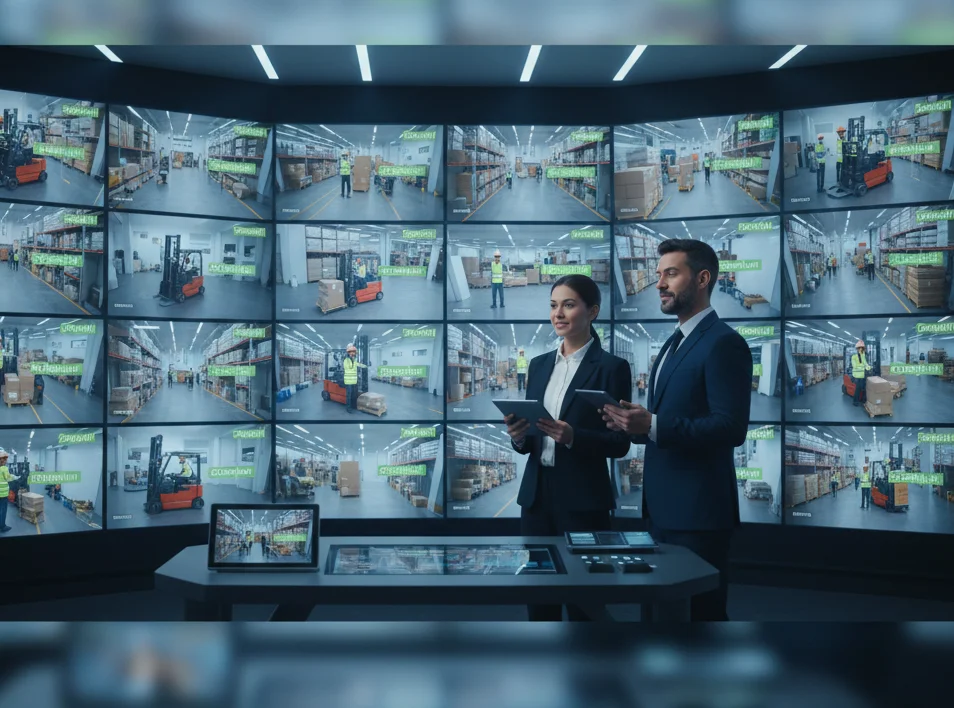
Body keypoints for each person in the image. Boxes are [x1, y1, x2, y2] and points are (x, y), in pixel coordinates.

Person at [601, 239, 752, 621]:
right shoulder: (673, 342)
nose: (660, 284)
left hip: (699, 515)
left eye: (671, 273)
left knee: (701, 618)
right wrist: (634, 425)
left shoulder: (724, 344)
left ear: (702, 279)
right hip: (660, 512)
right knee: (655, 615)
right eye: (658, 275)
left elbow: (730, 427)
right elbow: (666, 422)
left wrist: (653, 424)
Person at [504, 274, 632, 621]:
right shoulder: (539, 365)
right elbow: (533, 437)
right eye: (553, 305)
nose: (558, 313)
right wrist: (519, 436)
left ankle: (588, 672)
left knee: (584, 600)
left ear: (592, 311)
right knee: (539, 595)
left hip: (583, 500)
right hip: (536, 500)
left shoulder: (612, 369)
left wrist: (573, 436)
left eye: (569, 304)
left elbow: (620, 443)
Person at [342, 343, 367, 414]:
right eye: (351, 353)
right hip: (348, 381)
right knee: (349, 395)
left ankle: (353, 406)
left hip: (354, 381)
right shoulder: (346, 360)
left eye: (354, 353)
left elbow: (358, 364)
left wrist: (365, 366)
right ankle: (348, 408)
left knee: (353, 394)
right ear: (349, 353)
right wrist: (352, 360)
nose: (353, 354)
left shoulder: (354, 360)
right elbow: (348, 367)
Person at [850, 340, 872, 407]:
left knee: (864, 388)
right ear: (857, 349)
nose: (861, 349)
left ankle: (863, 400)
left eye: (862, 348)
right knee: (858, 389)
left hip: (862, 375)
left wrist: (869, 367)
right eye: (859, 348)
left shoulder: (863, 356)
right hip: (856, 376)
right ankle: (855, 402)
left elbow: (865, 364)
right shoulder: (853, 357)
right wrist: (863, 367)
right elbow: (855, 366)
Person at [0, 451, 13, 532]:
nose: (6, 461)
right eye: (5, 459)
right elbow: (8, 478)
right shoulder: (4, 468)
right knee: (3, 510)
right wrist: (14, 477)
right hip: (3, 493)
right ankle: (3, 526)